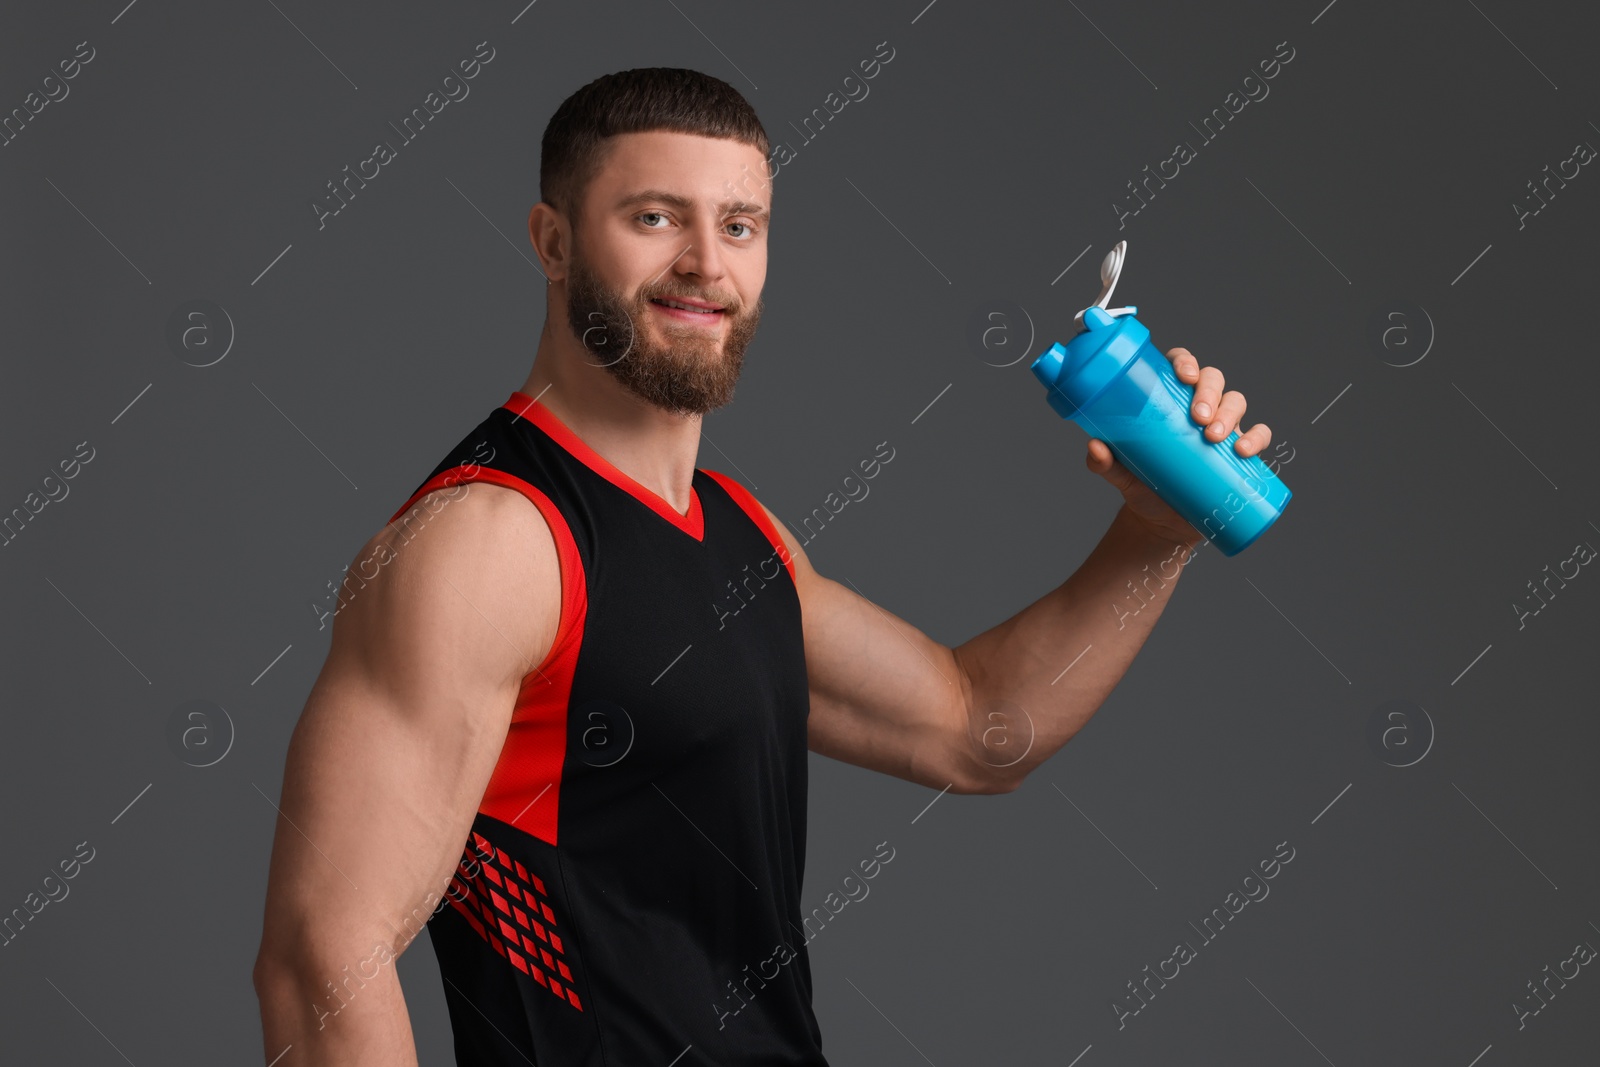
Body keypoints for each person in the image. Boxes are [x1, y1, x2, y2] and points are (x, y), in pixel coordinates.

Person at [251, 67, 1272, 1067]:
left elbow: (977, 727)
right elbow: (318, 957)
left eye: (738, 225)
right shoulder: (488, 541)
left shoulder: (743, 535)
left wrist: (1156, 531)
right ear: (552, 242)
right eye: (654, 218)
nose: (706, 262)